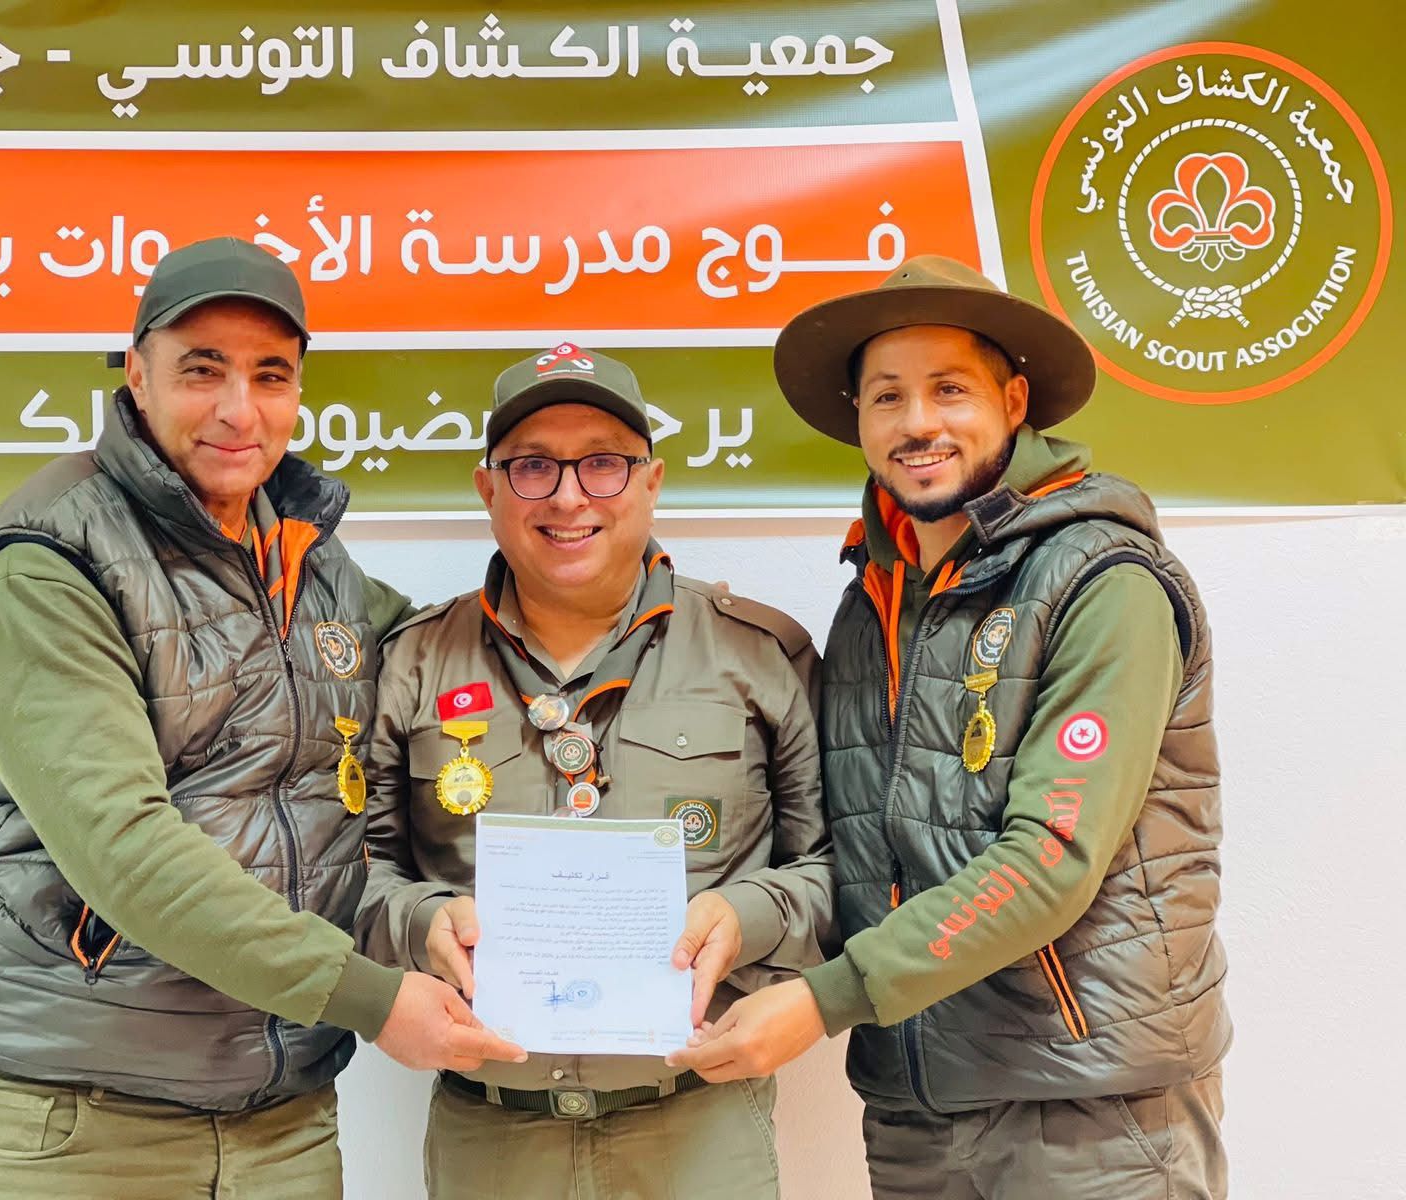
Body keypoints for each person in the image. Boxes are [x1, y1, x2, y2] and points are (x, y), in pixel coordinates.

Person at [0, 237, 523, 1199]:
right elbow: (126, 850)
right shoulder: (46, 569)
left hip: (284, 1125)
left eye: (270, 375)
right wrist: (373, 999)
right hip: (83, 1127)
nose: (239, 410)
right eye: (202, 370)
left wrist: (594, 601)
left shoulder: (306, 561)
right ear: (137, 375)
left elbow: (436, 655)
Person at [670, 256, 1230, 1198]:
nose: (918, 422)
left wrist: (824, 1000)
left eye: (950, 389)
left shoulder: (1102, 581)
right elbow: (854, 849)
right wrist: (743, 915)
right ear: (859, 418)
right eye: (888, 395)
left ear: (1014, 401)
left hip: (1092, 1108)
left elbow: (1049, 858)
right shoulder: (870, 606)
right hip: (915, 1109)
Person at [357, 343, 835, 1199]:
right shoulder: (413, 662)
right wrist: (419, 921)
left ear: (651, 482)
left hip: (699, 1130)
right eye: (533, 466)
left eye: (603, 464)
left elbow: (844, 869)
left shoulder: (760, 654)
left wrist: (750, 914)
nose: (569, 496)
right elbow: (347, 874)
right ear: (488, 489)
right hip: (488, 1136)